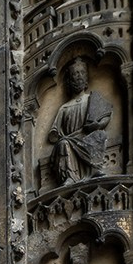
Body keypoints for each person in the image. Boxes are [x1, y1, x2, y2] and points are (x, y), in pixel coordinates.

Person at [48, 57, 112, 185]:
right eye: (75, 74)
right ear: (70, 81)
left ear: (87, 79)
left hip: (88, 135)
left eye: (82, 73)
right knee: (63, 144)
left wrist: (98, 125)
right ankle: (70, 176)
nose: (79, 77)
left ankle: (94, 169)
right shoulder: (64, 108)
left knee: (99, 135)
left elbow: (106, 116)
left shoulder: (92, 99)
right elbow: (54, 132)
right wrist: (55, 135)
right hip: (71, 139)